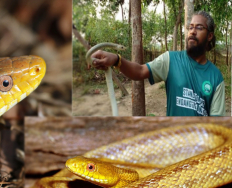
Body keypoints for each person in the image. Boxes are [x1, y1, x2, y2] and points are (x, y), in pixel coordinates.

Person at [91, 11, 225, 116]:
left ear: (209, 36)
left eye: (199, 27)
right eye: (190, 27)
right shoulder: (170, 60)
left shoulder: (215, 77)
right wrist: (116, 59)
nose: (192, 31)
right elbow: (139, 71)